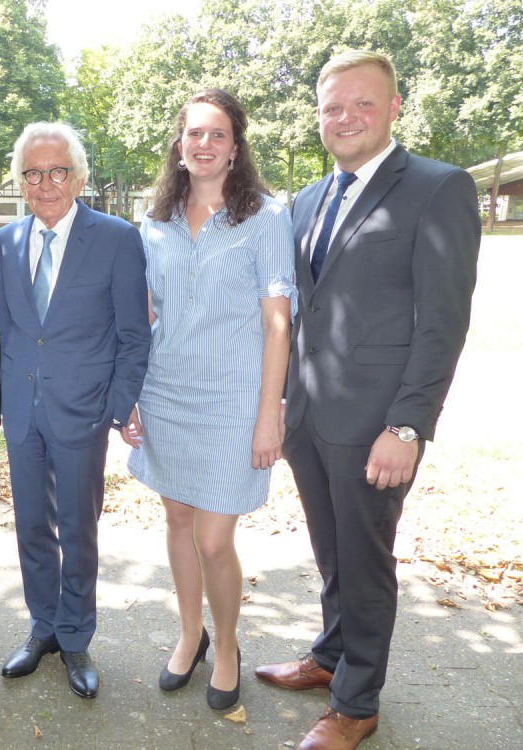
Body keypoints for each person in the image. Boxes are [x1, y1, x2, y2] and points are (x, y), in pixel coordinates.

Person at [255, 50, 480, 750]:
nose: (344, 117)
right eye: (331, 106)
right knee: (334, 554)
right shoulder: (306, 199)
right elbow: (296, 308)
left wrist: (408, 425)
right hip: (310, 417)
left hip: (377, 425)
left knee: (367, 559)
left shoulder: (438, 188)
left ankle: (357, 703)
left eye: (361, 103)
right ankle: (329, 657)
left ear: (394, 108)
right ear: (317, 115)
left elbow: (442, 322)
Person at [121, 89, 295, 711]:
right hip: (166, 394)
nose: (203, 144)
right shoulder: (155, 220)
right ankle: (189, 635)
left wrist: (269, 412)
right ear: (179, 144)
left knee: (216, 540)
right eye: (193, 133)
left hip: (233, 402)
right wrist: (132, 397)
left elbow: (279, 324)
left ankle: (227, 646)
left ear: (235, 148)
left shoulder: (267, 218)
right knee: (178, 521)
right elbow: (146, 316)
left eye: (216, 134)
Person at [0, 122, 151, 699]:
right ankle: (43, 628)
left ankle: (76, 635)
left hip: (82, 412)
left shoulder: (115, 238)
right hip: (23, 412)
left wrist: (115, 406)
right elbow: (6, 330)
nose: (45, 183)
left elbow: (135, 335)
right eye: (32, 173)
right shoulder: (7, 241)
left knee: (78, 530)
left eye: (57, 171)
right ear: (22, 182)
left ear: (78, 176)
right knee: (33, 525)